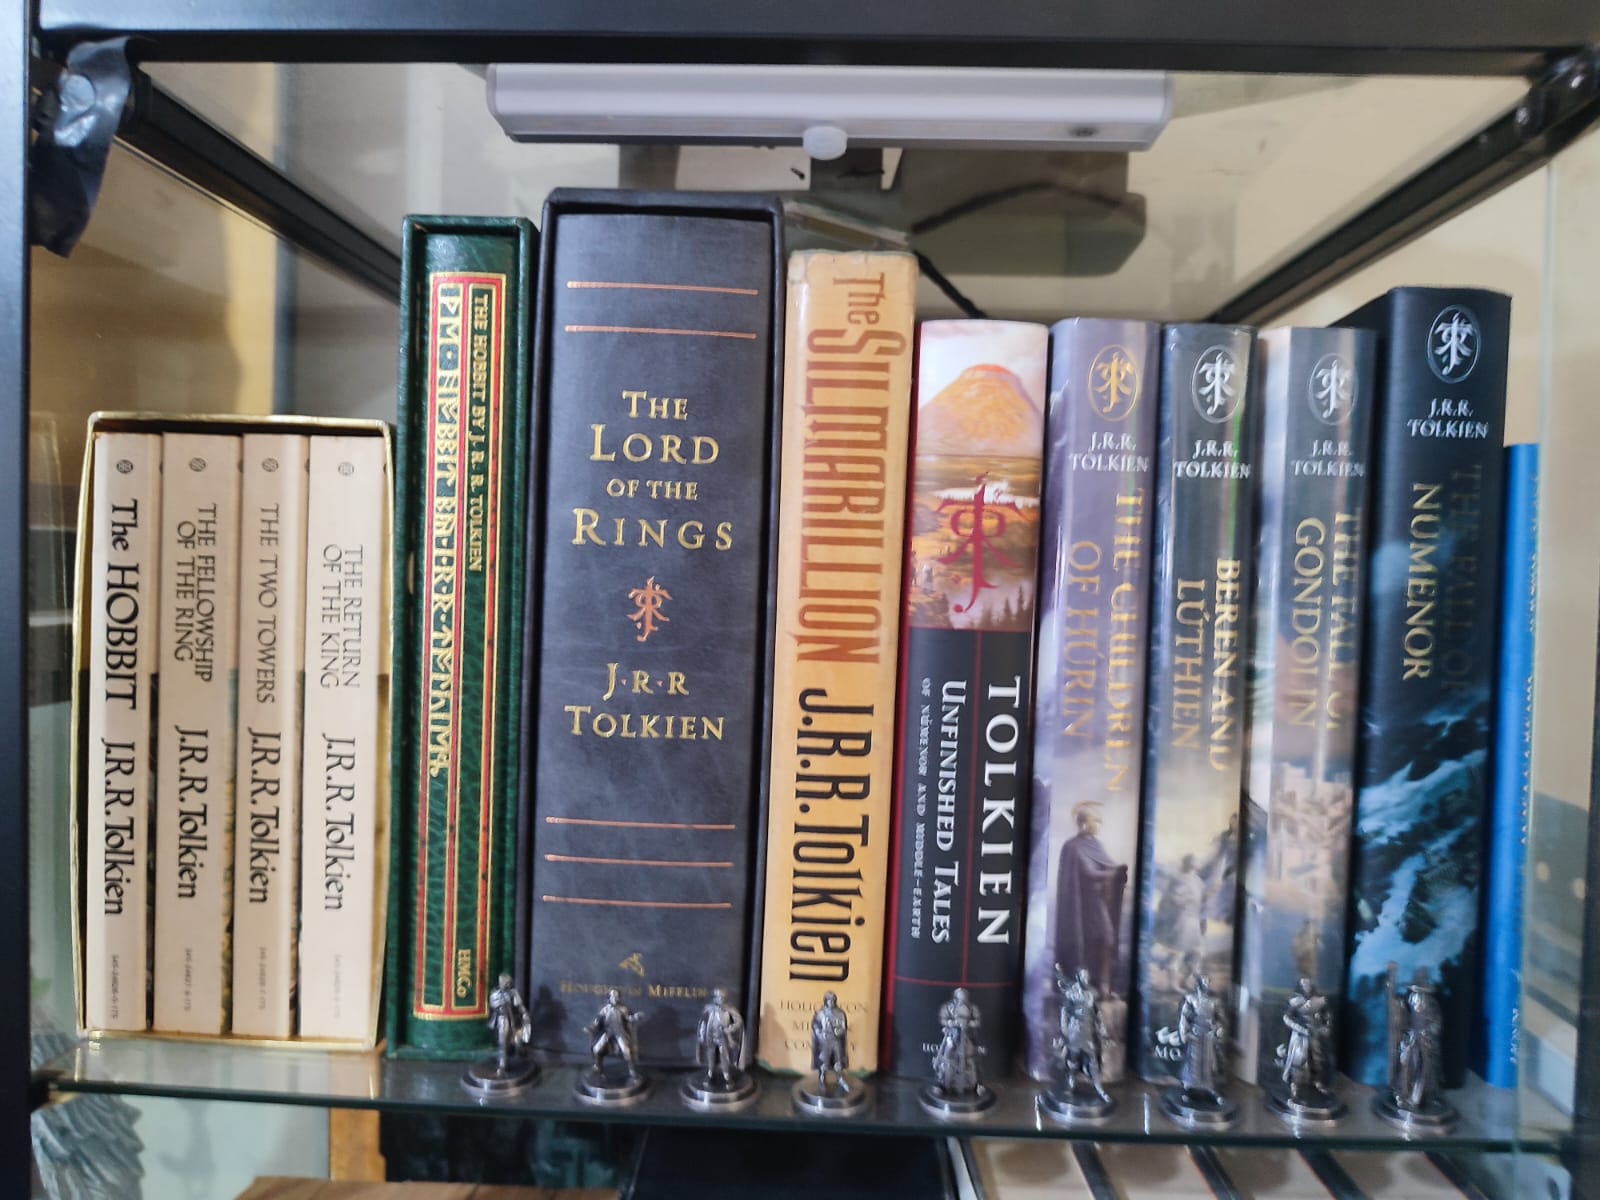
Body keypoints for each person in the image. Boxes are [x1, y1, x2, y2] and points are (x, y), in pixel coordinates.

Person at [1054, 802, 1128, 994]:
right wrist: (1114, 873)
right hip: (1081, 908)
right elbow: (1089, 873)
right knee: (1088, 943)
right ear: (1084, 822)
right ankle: (1086, 983)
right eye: (1096, 820)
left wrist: (1119, 872)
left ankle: (1102, 983)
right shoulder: (1072, 847)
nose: (1099, 825)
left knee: (1106, 940)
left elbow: (1109, 866)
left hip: (1098, 903)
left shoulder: (1096, 845)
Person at [1055, 965, 1111, 1105]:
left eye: (1087, 976)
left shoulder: (1092, 993)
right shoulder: (1072, 992)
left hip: (1088, 1031)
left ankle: (1099, 1088)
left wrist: (1102, 1029)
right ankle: (1071, 1082)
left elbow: (1097, 1012)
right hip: (1075, 1030)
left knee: (1092, 1060)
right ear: (1078, 977)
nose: (1086, 978)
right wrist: (1064, 1029)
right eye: (1083, 975)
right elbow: (1064, 1010)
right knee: (1072, 1059)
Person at [1178, 974, 1227, 1097]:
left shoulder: (1214, 1001)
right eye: (1203, 982)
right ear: (1199, 983)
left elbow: (1221, 1019)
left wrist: (1219, 1029)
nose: (1206, 984)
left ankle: (1209, 1087)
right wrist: (1185, 1033)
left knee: (1208, 1062)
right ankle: (1189, 1086)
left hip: (1209, 1035)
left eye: (1207, 982)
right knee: (1193, 1061)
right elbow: (1184, 1017)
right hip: (1195, 1034)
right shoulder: (1191, 999)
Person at [932, 988, 981, 1095]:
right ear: (956, 995)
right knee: (947, 1059)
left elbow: (977, 1021)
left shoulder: (972, 1008)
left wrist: (969, 1024)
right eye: (960, 994)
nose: (962, 996)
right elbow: (943, 1019)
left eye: (963, 995)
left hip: (967, 1036)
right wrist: (951, 1023)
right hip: (952, 1035)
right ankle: (943, 1085)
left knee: (970, 1060)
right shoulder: (948, 1007)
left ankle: (975, 1085)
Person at [586, 988, 642, 1080]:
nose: (615, 998)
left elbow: (629, 1018)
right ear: (609, 998)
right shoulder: (605, 1009)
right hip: (607, 1032)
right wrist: (591, 1028)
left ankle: (631, 1070)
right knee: (596, 1049)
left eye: (617, 996)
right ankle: (597, 1067)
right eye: (613, 996)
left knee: (626, 1051)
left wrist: (635, 1017)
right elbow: (597, 1021)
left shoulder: (623, 1009)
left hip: (619, 1032)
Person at [696, 988, 744, 1086]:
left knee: (724, 1055)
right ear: (715, 997)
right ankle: (710, 1073)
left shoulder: (729, 1009)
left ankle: (726, 1075)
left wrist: (729, 1029)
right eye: (718, 997)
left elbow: (738, 1021)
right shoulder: (709, 1008)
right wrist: (701, 1033)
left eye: (722, 997)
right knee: (710, 1054)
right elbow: (703, 1022)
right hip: (710, 1035)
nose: (720, 999)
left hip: (723, 1036)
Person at [486, 972, 531, 1073]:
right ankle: (502, 1064)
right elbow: (493, 1005)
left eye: (508, 983)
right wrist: (500, 1002)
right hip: (500, 1019)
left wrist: (524, 1013)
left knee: (511, 1040)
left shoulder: (512, 993)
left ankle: (511, 1057)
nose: (507, 984)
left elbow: (519, 1005)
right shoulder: (495, 994)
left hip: (510, 1019)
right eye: (505, 983)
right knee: (502, 1042)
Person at [812, 991, 850, 1092]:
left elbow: (843, 1027)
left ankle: (840, 1078)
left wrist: (839, 1031)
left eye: (833, 1000)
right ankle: (822, 1078)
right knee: (824, 1061)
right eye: (829, 1000)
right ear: (825, 1001)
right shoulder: (820, 1013)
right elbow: (815, 1026)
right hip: (824, 1041)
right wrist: (820, 1035)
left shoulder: (840, 1013)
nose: (831, 1002)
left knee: (838, 1060)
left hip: (836, 1040)